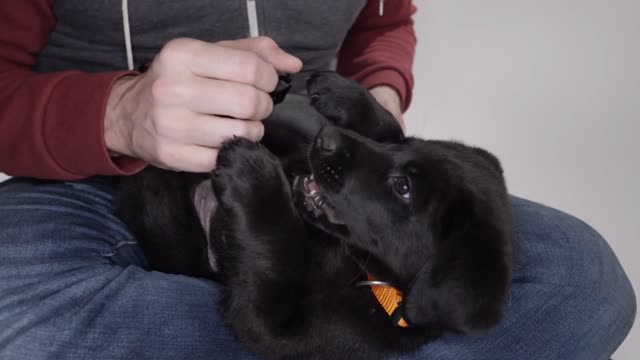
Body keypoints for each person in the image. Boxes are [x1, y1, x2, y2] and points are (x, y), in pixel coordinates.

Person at [0, 1, 634, 359]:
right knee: (13, 313)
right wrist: (119, 113)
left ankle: (307, 326)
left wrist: (377, 105)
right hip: (94, 168)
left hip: (312, 157)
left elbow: (382, 22)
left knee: (585, 282)